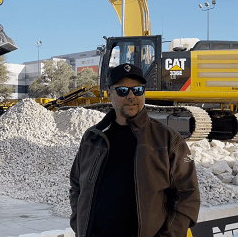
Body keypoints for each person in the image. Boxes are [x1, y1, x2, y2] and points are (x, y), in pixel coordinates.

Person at [69, 63, 200, 237]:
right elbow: (77, 186)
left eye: (138, 90)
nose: (131, 96)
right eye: (123, 90)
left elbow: (187, 196)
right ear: (109, 94)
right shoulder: (92, 138)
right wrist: (79, 224)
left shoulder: (169, 140)